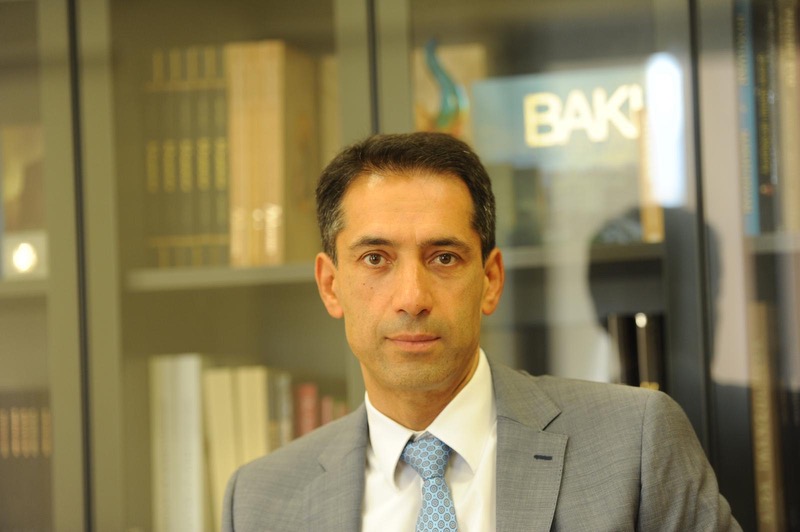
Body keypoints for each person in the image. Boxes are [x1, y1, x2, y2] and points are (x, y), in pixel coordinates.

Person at [222, 132, 741, 531]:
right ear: (331, 285)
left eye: (443, 257)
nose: (412, 298)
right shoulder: (261, 500)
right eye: (375, 259)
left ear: (490, 281)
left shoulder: (636, 446)